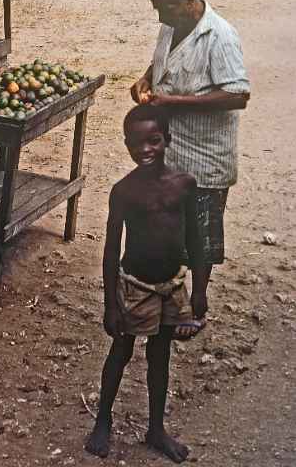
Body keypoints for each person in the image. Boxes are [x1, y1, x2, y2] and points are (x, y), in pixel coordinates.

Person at [130, 0, 250, 338]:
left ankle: (198, 304)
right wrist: (144, 80)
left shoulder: (220, 35)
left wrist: (174, 103)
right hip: (175, 153)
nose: (161, 18)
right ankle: (171, 298)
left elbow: (238, 94)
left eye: (166, 9)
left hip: (205, 156)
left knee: (201, 237)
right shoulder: (171, 25)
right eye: (157, 9)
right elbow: (159, 64)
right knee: (172, 229)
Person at [85, 105, 206, 463]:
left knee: (160, 355)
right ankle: (103, 421)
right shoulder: (124, 192)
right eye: (136, 144)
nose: (145, 150)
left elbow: (196, 242)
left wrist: (199, 289)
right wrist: (110, 304)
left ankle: (156, 429)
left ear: (167, 140)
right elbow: (110, 252)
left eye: (154, 141)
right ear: (126, 145)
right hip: (134, 286)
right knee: (121, 351)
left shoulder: (184, 185)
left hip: (170, 285)